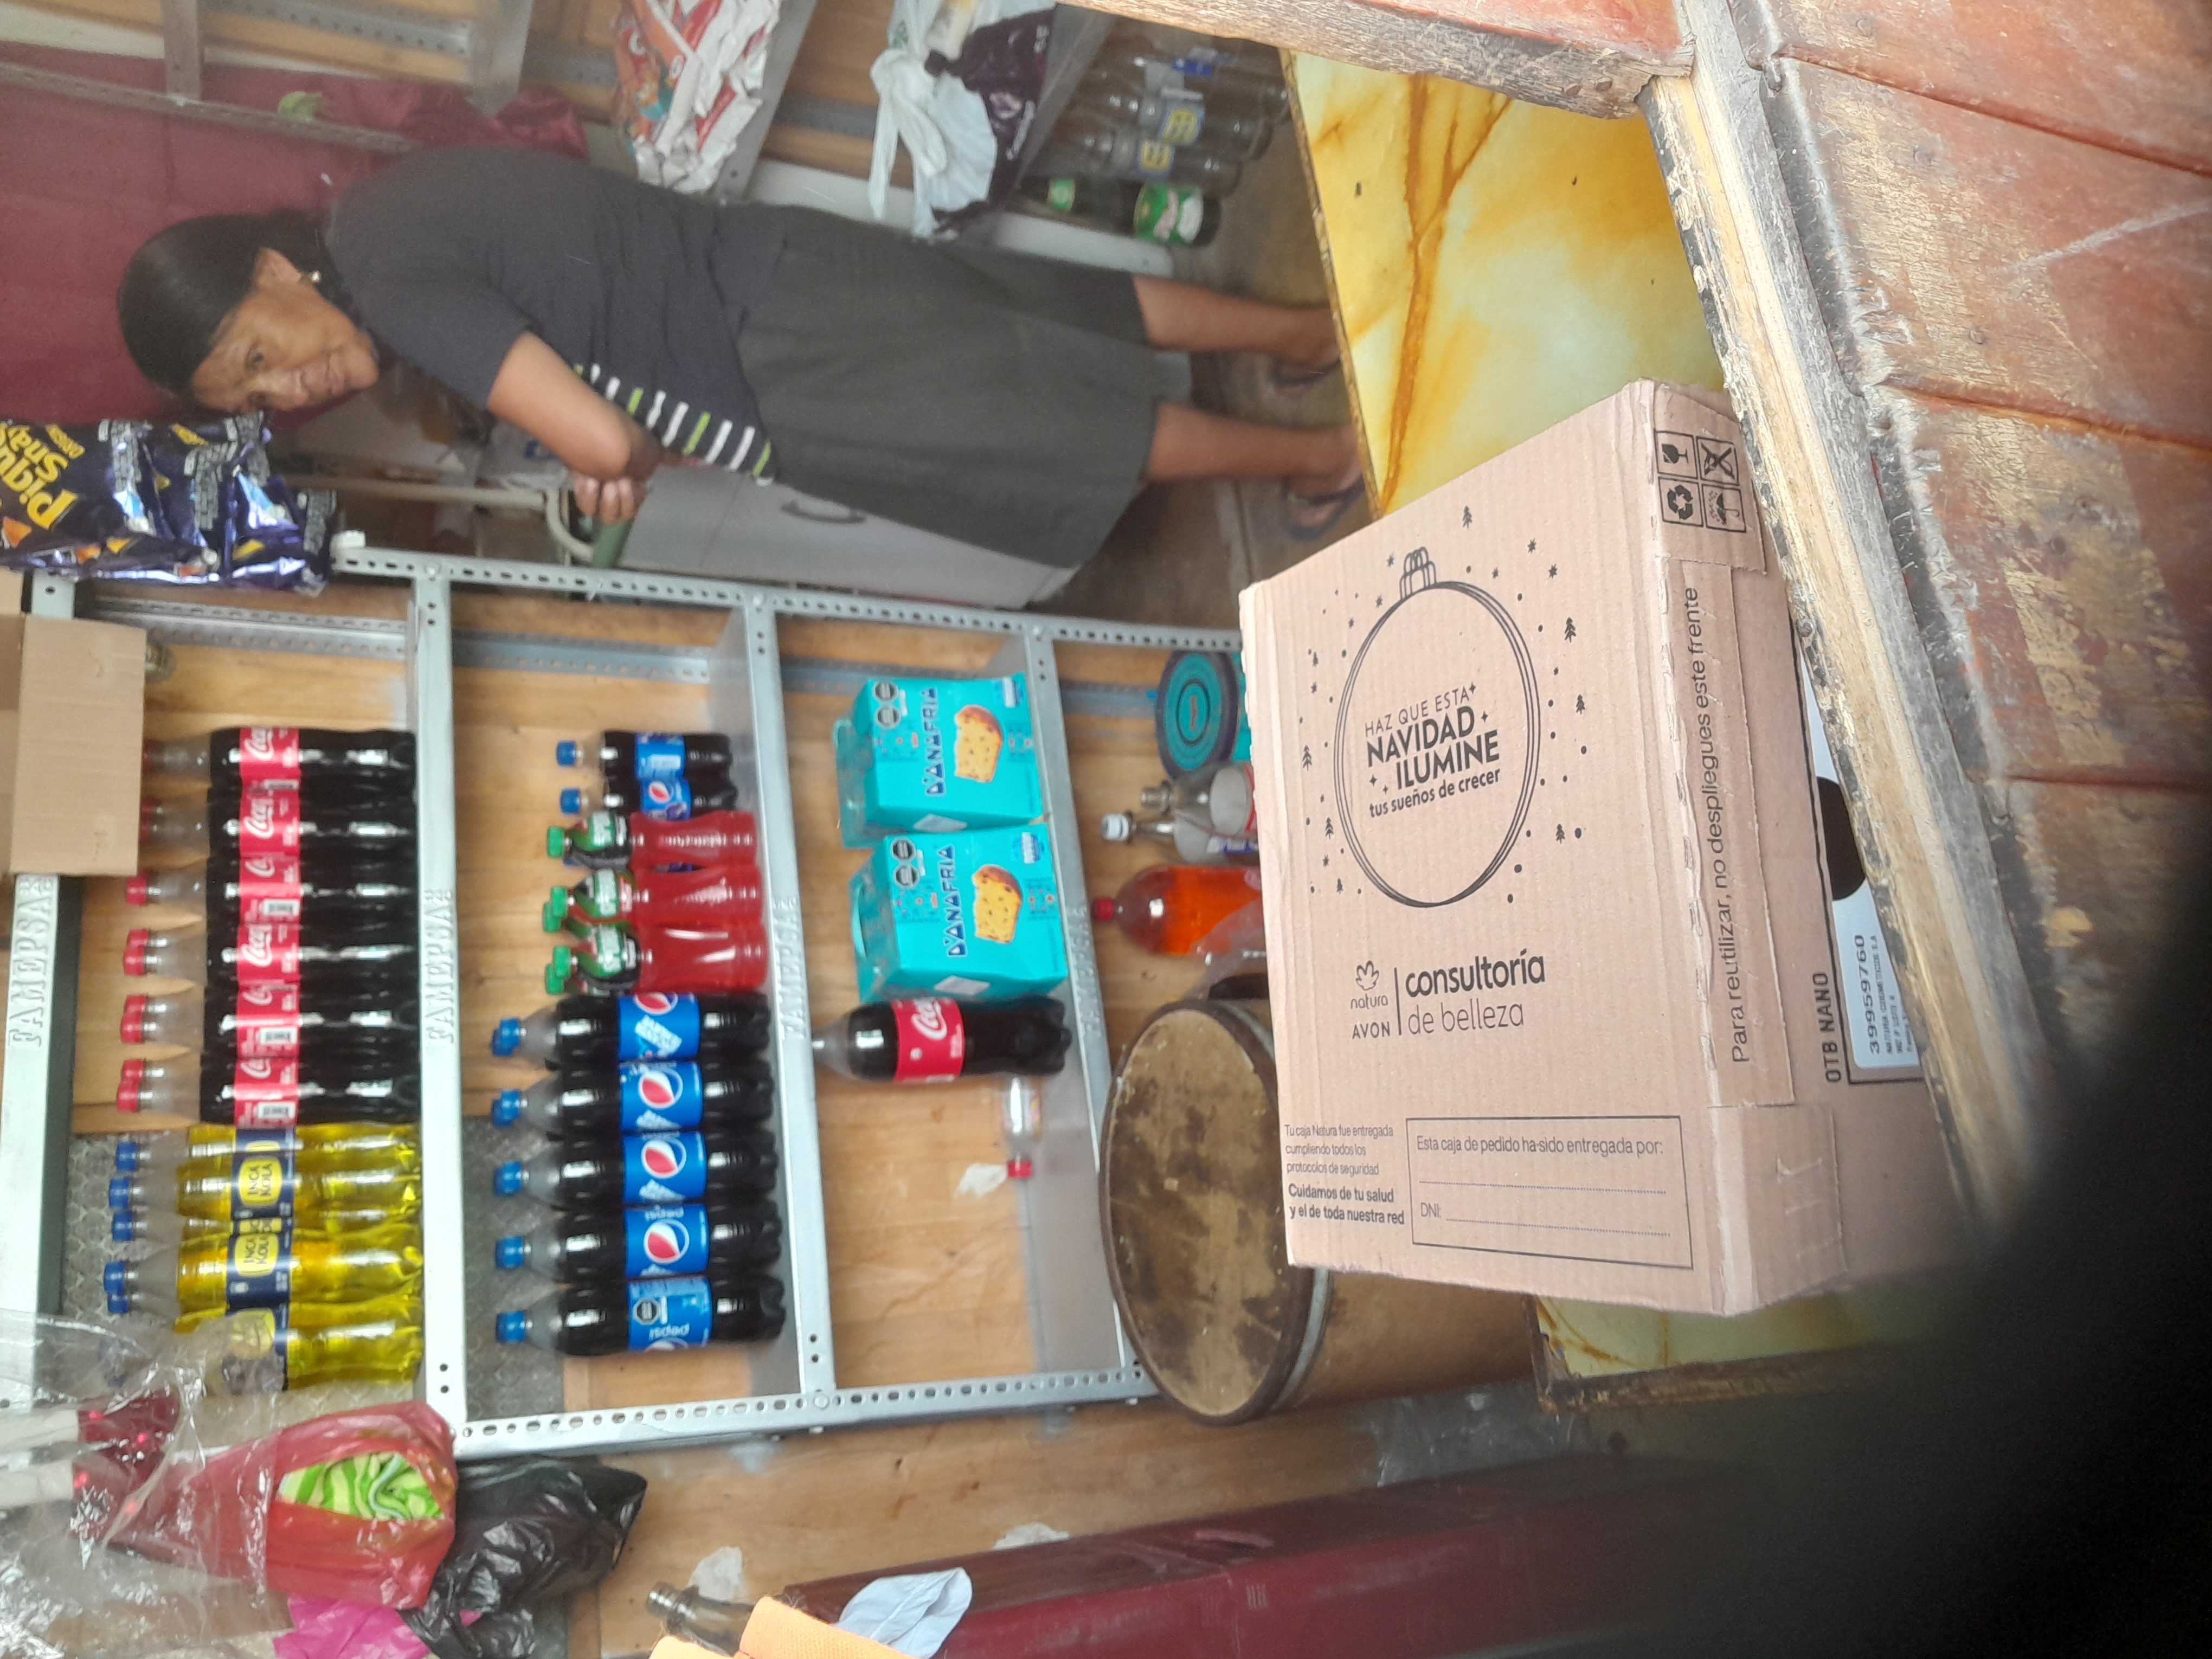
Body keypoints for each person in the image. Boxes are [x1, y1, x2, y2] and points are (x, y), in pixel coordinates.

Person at [117, 146, 1362, 566]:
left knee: (1051, 430)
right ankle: (1308, 334)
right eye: (258, 394)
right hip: (777, 270)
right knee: (1055, 311)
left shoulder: (393, 286)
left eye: (256, 354)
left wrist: (600, 462)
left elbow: (609, 437)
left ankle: (1319, 458)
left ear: (268, 273)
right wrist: (598, 445)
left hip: (783, 358)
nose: (288, 388)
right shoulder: (388, 213)